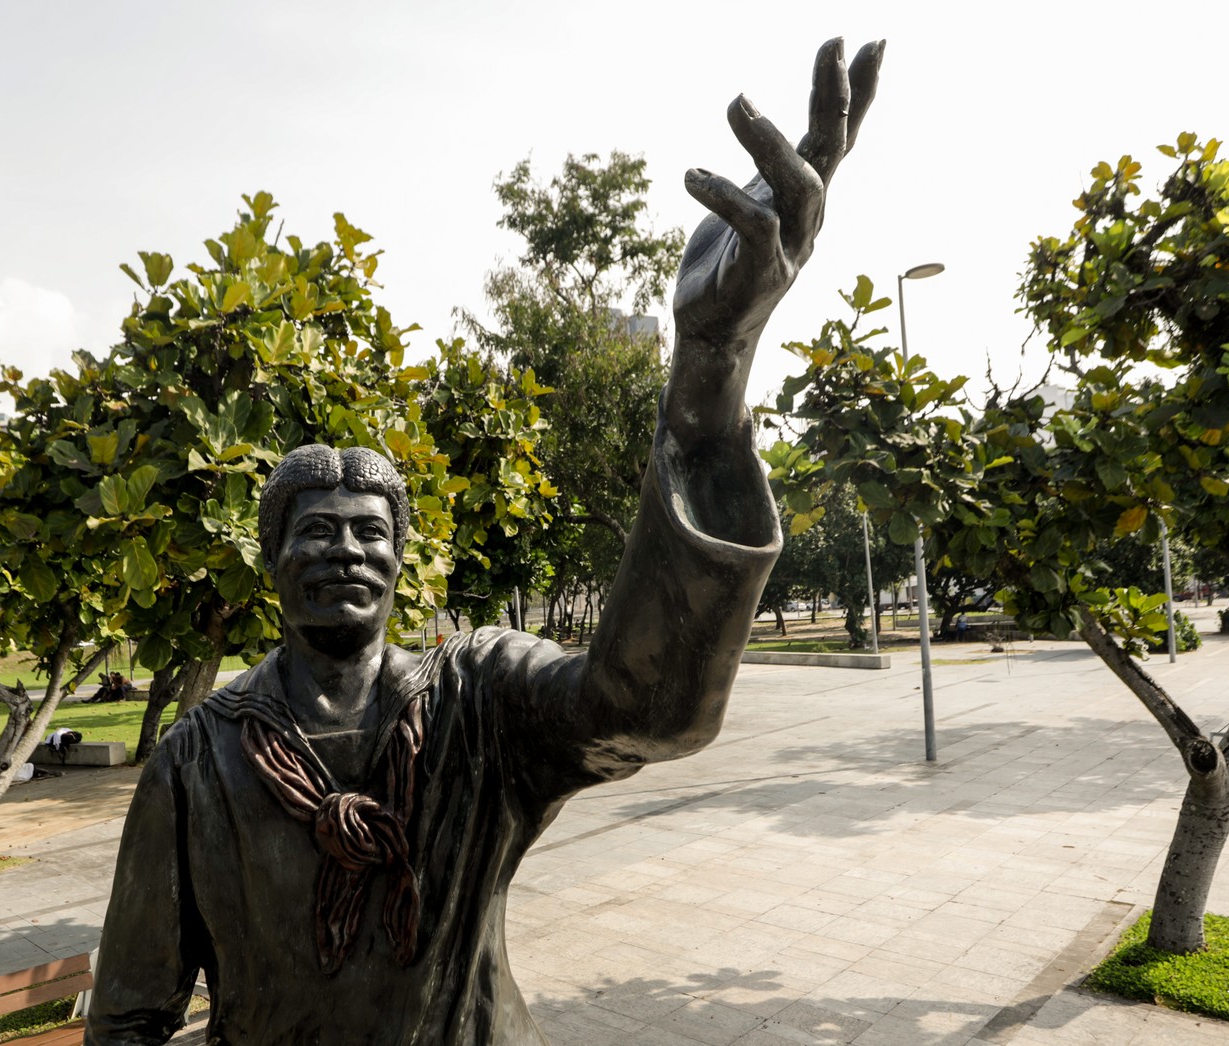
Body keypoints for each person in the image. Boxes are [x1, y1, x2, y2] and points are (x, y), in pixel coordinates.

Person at [87, 38, 883, 1045]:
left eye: (371, 533)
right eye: (316, 531)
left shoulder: (478, 707)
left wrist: (710, 358)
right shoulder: (194, 763)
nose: (344, 551)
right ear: (271, 560)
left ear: (400, 560)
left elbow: (650, 707)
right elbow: (128, 1018)